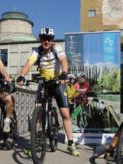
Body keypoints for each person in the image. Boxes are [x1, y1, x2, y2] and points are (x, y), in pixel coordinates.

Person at [16, 28, 80, 157]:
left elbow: (63, 61)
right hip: (44, 83)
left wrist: (63, 74)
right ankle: (37, 143)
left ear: (52, 40)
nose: (46, 41)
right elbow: (29, 64)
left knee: (65, 113)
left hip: (57, 83)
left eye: (49, 39)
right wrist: (22, 75)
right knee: (38, 110)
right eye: (44, 39)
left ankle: (71, 144)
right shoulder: (36, 51)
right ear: (40, 39)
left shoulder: (57, 48)